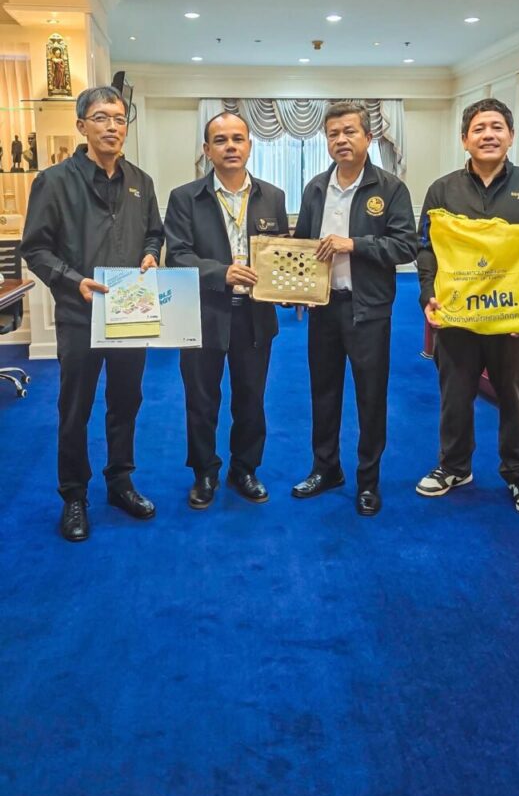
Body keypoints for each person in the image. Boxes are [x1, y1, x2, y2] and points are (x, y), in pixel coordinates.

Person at [21, 85, 163, 542]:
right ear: (81, 125)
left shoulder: (141, 181)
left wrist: (151, 254)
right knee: (75, 408)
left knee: (126, 402)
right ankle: (74, 495)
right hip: (79, 313)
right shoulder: (54, 181)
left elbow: (154, 233)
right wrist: (72, 280)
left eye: (119, 118)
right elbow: (35, 249)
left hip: (130, 313)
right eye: (101, 118)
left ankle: (120, 482)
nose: (112, 127)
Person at [416, 98, 519, 517]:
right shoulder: (442, 190)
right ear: (464, 139)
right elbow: (425, 249)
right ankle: (454, 467)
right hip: (458, 320)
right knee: (454, 397)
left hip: (511, 320)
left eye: (497, 127)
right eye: (479, 128)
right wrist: (428, 295)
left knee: (517, 401)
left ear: (511, 136)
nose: (488, 135)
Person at [291, 102, 418, 516]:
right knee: (323, 393)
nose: (341, 140)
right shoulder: (315, 187)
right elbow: (303, 246)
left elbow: (406, 246)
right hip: (324, 309)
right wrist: (292, 286)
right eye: (333, 134)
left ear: (368, 137)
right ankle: (326, 469)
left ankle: (368, 481)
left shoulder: (390, 188)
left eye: (349, 132)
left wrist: (354, 244)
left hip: (369, 311)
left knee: (370, 397)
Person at [164, 112, 288, 510]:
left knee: (251, 398)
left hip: (255, 316)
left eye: (238, 139)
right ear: (207, 150)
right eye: (220, 140)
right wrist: (222, 272)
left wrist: (288, 285)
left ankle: (245, 468)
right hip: (202, 313)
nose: (230, 146)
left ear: (250, 145)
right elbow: (177, 256)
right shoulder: (185, 197)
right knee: (201, 400)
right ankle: (204, 471)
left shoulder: (273, 196)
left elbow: (280, 254)